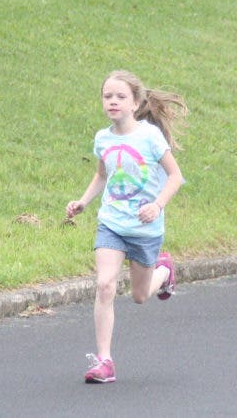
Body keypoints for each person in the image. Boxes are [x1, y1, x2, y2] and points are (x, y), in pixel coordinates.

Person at [65, 70, 187, 384]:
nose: (113, 102)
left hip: (145, 228)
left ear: (135, 103)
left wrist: (157, 205)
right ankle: (105, 361)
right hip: (112, 224)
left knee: (140, 295)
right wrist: (83, 202)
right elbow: (103, 176)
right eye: (108, 97)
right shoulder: (102, 138)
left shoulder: (149, 137)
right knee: (104, 285)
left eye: (120, 97)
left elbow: (176, 177)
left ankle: (164, 272)